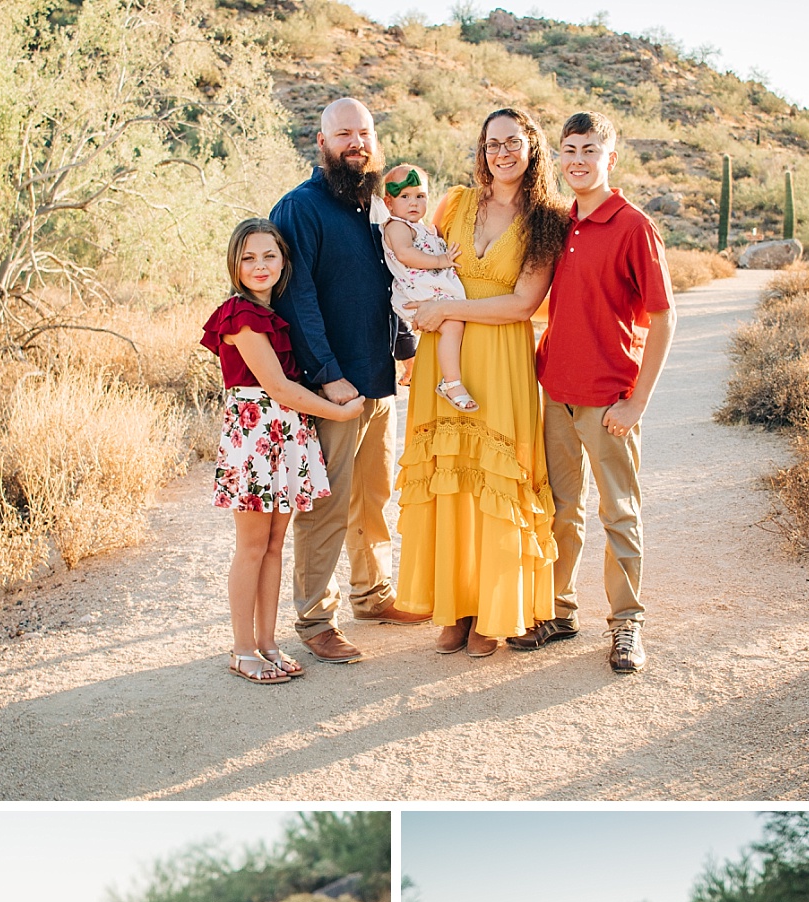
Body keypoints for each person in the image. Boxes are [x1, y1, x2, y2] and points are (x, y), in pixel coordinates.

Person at [393, 108, 569, 658]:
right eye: (493, 143)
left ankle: (493, 612)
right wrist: (414, 322)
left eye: (513, 141)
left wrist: (450, 308)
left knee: (494, 481)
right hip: (443, 355)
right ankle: (456, 607)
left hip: (501, 357)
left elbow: (523, 303)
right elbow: (415, 261)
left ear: (532, 147)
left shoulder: (547, 218)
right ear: (482, 149)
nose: (502, 152)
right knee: (453, 479)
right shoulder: (454, 203)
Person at [513, 111, 676, 674]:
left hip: (609, 400)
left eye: (589, 150)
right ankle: (559, 611)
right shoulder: (560, 224)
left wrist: (638, 402)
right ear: (558, 158)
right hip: (556, 392)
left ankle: (627, 624)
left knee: (618, 513)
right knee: (561, 510)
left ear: (611, 159)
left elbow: (663, 318)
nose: (578, 160)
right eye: (569, 150)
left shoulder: (634, 227)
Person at [270, 98, 427, 665]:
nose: (355, 142)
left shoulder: (376, 209)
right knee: (328, 504)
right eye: (344, 134)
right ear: (321, 140)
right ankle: (315, 618)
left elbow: (391, 284)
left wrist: (404, 349)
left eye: (363, 133)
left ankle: (372, 594)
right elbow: (296, 299)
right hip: (333, 391)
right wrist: (330, 379)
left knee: (373, 498)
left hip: (379, 380)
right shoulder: (299, 209)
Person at [200, 218, 364, 683]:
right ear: (235, 263)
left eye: (269, 255)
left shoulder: (273, 315)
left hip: (284, 436)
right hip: (256, 438)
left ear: (283, 260)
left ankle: (268, 643)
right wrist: (343, 414)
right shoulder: (241, 316)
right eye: (249, 257)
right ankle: (242, 649)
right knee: (251, 548)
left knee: (274, 547)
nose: (259, 265)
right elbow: (279, 388)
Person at [379, 164, 472, 411]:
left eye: (420, 196)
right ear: (389, 203)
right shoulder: (396, 226)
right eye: (405, 197)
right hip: (417, 293)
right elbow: (405, 253)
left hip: (430, 289)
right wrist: (441, 260)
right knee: (453, 326)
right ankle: (451, 383)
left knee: (459, 325)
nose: (414, 203)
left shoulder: (422, 227)